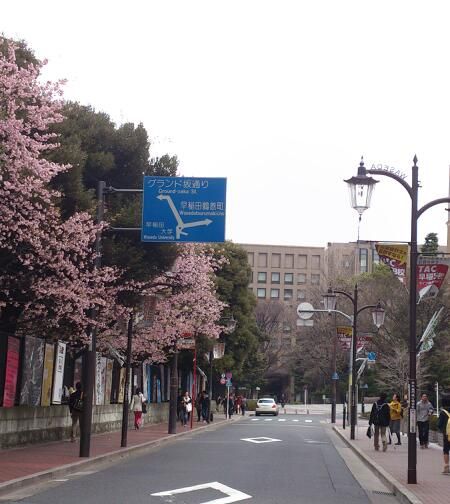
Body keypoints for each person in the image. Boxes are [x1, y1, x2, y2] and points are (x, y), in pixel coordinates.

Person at [437, 394, 450, 475]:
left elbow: (439, 424)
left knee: (446, 450)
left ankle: (446, 467)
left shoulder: (443, 412)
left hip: (447, 435)